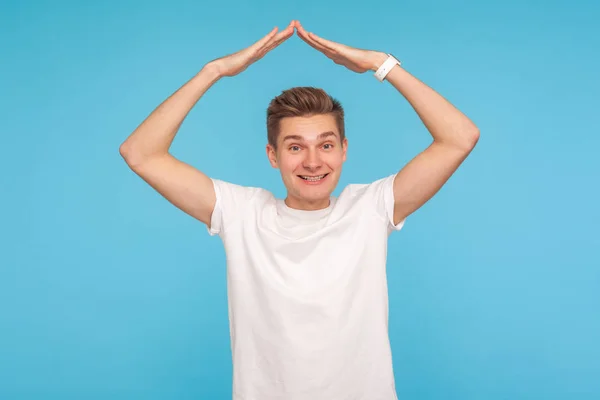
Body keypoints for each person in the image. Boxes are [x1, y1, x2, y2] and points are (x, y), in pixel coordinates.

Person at [119, 20, 479, 400]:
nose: (312, 161)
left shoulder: (370, 209)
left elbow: (460, 137)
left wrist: (380, 64)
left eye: (325, 145)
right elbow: (139, 152)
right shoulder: (242, 213)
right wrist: (215, 71)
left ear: (344, 149)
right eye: (294, 147)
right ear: (272, 156)